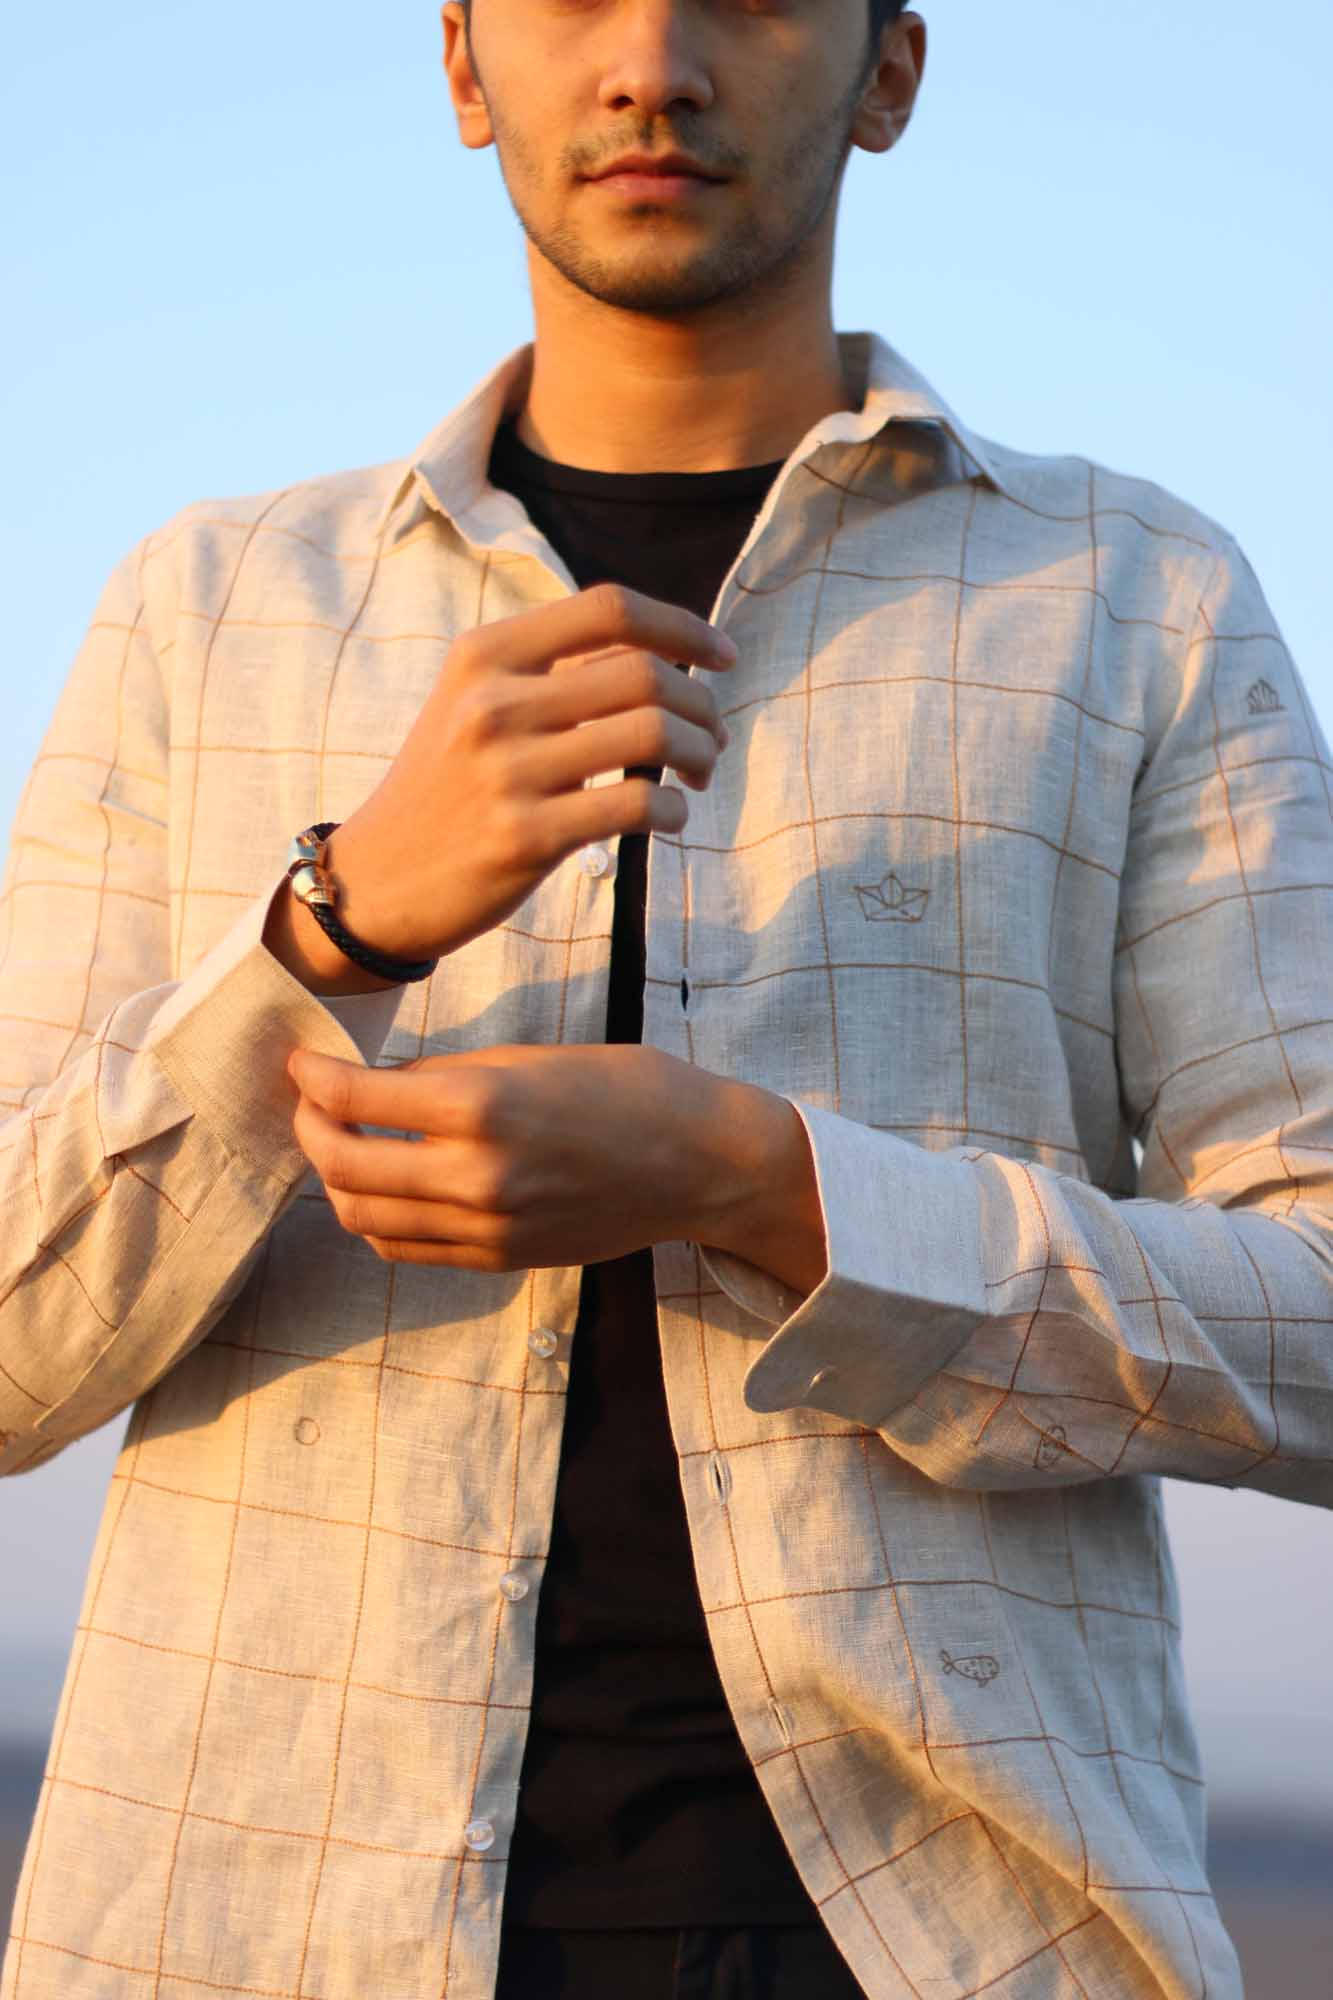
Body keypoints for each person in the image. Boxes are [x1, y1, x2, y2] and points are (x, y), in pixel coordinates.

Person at [1, 0, 1329, 1994]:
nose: (650, 64)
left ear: (889, 69)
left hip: (963, 1936)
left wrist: (763, 1183)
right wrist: (336, 929)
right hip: (259, 1925)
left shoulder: (1136, 598)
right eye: (565, 0)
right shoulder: (208, 612)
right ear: (462, 65)